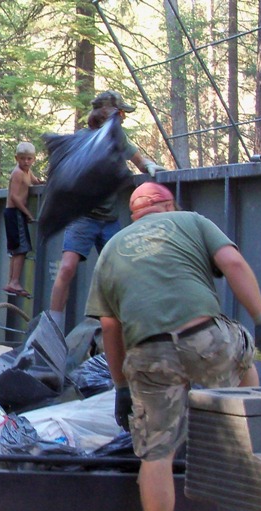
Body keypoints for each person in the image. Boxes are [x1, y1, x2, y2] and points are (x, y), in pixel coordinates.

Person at [85, 182, 261, 511]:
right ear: (169, 205)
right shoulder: (190, 221)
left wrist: (121, 385)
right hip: (207, 343)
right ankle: (248, 429)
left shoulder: (111, 249)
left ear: (134, 214)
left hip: (149, 355)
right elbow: (232, 261)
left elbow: (110, 326)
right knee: (241, 347)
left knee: (156, 453)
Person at [48, 90, 164, 331]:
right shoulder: (83, 140)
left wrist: (149, 166)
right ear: (107, 114)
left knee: (125, 268)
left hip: (109, 220)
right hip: (83, 218)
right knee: (67, 267)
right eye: (120, 113)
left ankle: (130, 325)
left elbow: (138, 160)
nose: (123, 118)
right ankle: (52, 326)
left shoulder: (117, 137)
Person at [3, 141, 44, 299]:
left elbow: (34, 181)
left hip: (16, 213)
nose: (26, 162)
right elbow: (14, 196)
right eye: (22, 159)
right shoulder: (17, 173)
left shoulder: (27, 172)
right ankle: (14, 281)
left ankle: (12, 282)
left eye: (29, 159)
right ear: (16, 158)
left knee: (17, 249)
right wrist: (27, 213)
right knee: (21, 248)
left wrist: (41, 182)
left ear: (33, 159)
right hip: (14, 212)